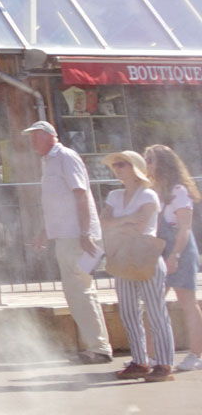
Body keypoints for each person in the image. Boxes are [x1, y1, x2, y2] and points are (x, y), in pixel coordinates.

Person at [27, 121, 111, 364]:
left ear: (49, 136)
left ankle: (99, 348)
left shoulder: (65, 156)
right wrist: (45, 231)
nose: (32, 142)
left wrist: (85, 233)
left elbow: (80, 193)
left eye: (35, 137)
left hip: (76, 236)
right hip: (66, 235)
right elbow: (57, 203)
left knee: (80, 289)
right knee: (76, 290)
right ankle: (95, 345)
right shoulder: (49, 161)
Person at [104, 151, 176, 382]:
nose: (117, 168)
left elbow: (142, 223)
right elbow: (104, 223)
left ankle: (164, 364)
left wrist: (118, 224)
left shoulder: (148, 195)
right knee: (127, 312)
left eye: (121, 164)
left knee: (155, 312)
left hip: (145, 256)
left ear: (135, 168)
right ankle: (140, 360)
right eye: (115, 165)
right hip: (123, 255)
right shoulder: (114, 195)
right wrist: (126, 221)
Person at [145, 144, 201, 371]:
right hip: (160, 253)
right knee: (152, 303)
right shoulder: (152, 190)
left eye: (150, 160)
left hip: (180, 251)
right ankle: (151, 356)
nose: (146, 164)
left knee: (187, 303)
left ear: (163, 163)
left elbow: (184, 228)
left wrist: (175, 256)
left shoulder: (178, 191)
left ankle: (196, 354)